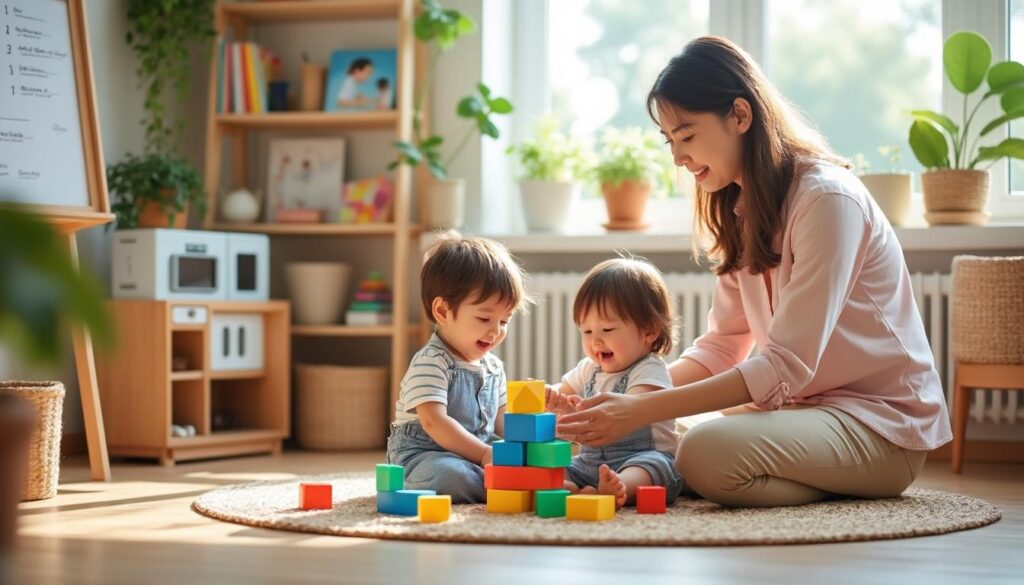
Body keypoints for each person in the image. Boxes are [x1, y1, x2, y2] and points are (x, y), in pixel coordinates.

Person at [557, 36, 952, 508]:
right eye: (670, 141)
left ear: (740, 116)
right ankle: (781, 478)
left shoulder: (826, 201)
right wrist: (617, 394)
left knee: (696, 448)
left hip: (879, 427)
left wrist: (640, 408)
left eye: (686, 136)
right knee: (662, 440)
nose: (677, 158)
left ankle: (774, 478)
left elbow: (785, 364)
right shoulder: (740, 208)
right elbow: (724, 345)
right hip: (801, 416)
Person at [386, 233, 529, 503]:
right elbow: (433, 421)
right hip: (423, 456)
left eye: (505, 321)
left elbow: (501, 422)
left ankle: (520, 483)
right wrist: (486, 456)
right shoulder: (431, 361)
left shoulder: (494, 367)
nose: (496, 331)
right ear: (442, 311)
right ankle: (505, 486)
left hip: (474, 456)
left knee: (526, 461)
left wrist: (535, 437)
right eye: (485, 318)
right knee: (452, 477)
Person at [546, 258, 682, 509]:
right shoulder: (589, 369)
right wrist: (550, 398)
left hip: (640, 457)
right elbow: (560, 393)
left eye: (607, 330)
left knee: (653, 468)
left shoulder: (649, 369)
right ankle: (574, 488)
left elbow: (630, 410)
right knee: (553, 467)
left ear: (649, 331)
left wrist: (577, 413)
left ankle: (619, 489)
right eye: (587, 331)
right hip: (588, 464)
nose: (595, 341)